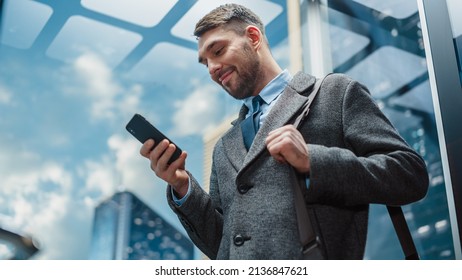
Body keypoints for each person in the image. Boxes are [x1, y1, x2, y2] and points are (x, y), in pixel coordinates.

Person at [140, 3, 429, 259]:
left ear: (253, 38)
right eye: (206, 63)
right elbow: (222, 245)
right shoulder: (224, 146)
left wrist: (313, 161)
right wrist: (181, 186)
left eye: (218, 51)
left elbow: (409, 174)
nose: (213, 68)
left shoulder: (334, 94)